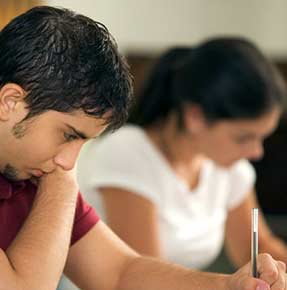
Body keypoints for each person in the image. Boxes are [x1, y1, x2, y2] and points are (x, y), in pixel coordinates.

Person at [0, 7, 286, 290]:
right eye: (69, 135)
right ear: (10, 102)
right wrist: (62, 184)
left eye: (84, 141)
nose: (71, 161)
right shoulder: (55, 176)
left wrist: (229, 288)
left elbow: (120, 274)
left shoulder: (34, 174)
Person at [77, 40, 287, 272]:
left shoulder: (229, 166)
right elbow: (145, 278)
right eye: (243, 137)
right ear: (195, 116)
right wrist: (230, 288)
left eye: (261, 137)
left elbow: (256, 250)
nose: (256, 152)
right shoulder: (127, 152)